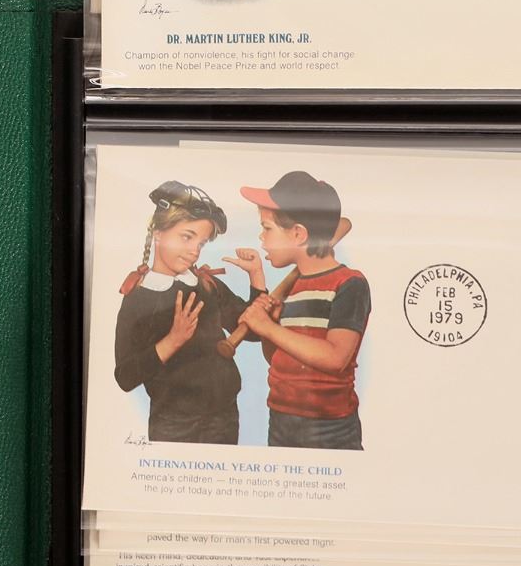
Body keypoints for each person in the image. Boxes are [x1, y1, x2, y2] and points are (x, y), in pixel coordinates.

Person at [113, 181, 266, 445]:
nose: (195, 250)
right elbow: (125, 377)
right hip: (173, 425)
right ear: (158, 233)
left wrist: (257, 277)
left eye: (201, 243)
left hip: (224, 418)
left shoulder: (208, 286)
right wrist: (173, 340)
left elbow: (254, 331)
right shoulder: (137, 299)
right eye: (187, 237)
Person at [235, 172, 368, 451]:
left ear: (298, 234)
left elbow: (335, 358)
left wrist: (269, 328)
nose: (261, 238)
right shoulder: (293, 288)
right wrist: (270, 330)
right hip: (280, 418)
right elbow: (278, 359)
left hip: (328, 428)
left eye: (267, 228)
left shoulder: (349, 284)